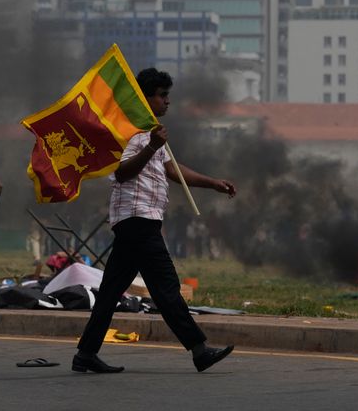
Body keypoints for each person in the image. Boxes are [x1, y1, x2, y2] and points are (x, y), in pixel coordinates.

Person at [72, 68, 237, 374]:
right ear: (144, 98)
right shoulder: (132, 132)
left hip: (138, 220)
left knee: (111, 291)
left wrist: (212, 183)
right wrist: (150, 146)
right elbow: (121, 172)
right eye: (161, 95)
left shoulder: (151, 131)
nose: (167, 102)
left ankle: (85, 353)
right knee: (165, 287)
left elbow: (172, 169)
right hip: (137, 219)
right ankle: (199, 349)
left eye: (167, 95)